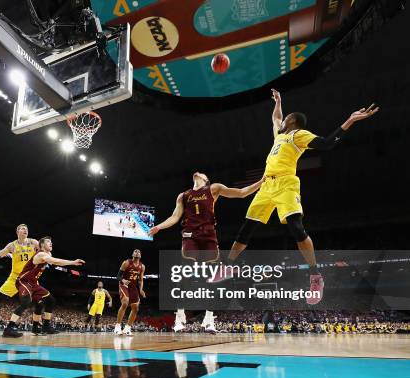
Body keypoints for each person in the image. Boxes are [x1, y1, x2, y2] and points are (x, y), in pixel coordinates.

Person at [226, 89, 379, 304]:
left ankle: (315, 276)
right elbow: (275, 117)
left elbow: (327, 143)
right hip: (267, 185)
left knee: (296, 227)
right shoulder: (279, 135)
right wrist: (278, 101)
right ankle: (228, 267)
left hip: (286, 183)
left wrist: (350, 120)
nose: (281, 120)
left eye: (286, 118)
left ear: (293, 122)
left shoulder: (299, 135)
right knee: (246, 229)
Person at [149, 171, 264, 331]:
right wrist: (159, 227)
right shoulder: (183, 195)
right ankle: (180, 315)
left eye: (201, 173)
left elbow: (241, 193)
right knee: (186, 273)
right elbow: (175, 217)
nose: (197, 172)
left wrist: (261, 181)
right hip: (190, 236)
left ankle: (209, 318)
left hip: (209, 237)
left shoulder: (213, 188)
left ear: (206, 179)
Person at [3, 237, 84, 337]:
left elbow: (54, 262)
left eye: (51, 241)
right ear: (42, 245)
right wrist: (72, 262)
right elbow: (55, 261)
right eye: (48, 242)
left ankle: (42, 327)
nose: (51, 243)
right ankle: (9, 328)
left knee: (50, 300)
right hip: (24, 281)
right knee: (26, 302)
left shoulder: (48, 254)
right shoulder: (41, 254)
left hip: (34, 283)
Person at [114, 249, 146, 336]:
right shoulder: (126, 263)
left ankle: (127, 328)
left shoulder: (142, 266)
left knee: (135, 308)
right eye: (135, 251)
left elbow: (141, 280)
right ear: (132, 254)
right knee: (125, 302)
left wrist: (141, 290)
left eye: (139, 251)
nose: (137, 252)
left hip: (133, 286)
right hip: (124, 284)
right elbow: (118, 276)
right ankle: (117, 327)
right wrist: (123, 280)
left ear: (140, 255)